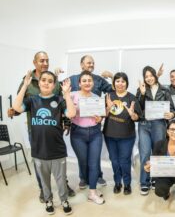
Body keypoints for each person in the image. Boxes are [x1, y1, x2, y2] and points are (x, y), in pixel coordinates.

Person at [8, 51, 75, 202]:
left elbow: (63, 106)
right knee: (40, 164)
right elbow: (18, 106)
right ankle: (44, 191)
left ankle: (63, 187)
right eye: (41, 60)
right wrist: (25, 86)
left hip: (54, 131)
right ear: (34, 62)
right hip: (36, 131)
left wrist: (67, 120)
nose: (45, 63)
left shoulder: (55, 82)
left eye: (47, 60)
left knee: (58, 164)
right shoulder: (27, 83)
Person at [68, 55, 113, 187]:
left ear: (93, 83)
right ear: (81, 65)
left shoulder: (99, 81)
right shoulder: (72, 83)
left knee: (94, 158)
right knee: (83, 159)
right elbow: (60, 95)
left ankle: (96, 178)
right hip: (78, 128)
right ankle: (83, 177)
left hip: (94, 127)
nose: (91, 65)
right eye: (88, 63)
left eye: (93, 63)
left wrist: (103, 114)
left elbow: (115, 90)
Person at [136, 66, 175, 195]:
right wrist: (142, 95)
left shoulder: (165, 90)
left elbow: (173, 109)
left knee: (158, 152)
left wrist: (172, 115)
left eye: (150, 75)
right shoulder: (141, 89)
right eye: (146, 76)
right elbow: (138, 109)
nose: (148, 78)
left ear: (155, 75)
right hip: (144, 124)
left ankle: (156, 179)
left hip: (159, 124)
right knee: (145, 153)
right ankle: (144, 181)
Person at [103, 72, 142, 195]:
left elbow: (137, 117)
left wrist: (132, 114)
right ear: (114, 83)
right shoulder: (108, 96)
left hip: (127, 136)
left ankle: (127, 184)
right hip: (110, 135)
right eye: (117, 81)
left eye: (123, 81)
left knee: (124, 161)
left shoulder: (132, 98)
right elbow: (102, 115)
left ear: (127, 83)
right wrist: (108, 108)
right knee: (114, 161)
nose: (120, 83)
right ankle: (117, 182)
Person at [70, 71, 105, 204]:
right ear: (79, 83)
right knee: (83, 162)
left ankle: (92, 192)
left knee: (94, 162)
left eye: (89, 80)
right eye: (84, 80)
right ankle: (90, 182)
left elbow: (100, 116)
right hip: (78, 133)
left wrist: (99, 118)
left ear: (93, 82)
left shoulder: (96, 97)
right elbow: (66, 113)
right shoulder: (72, 96)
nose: (87, 83)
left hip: (95, 132)